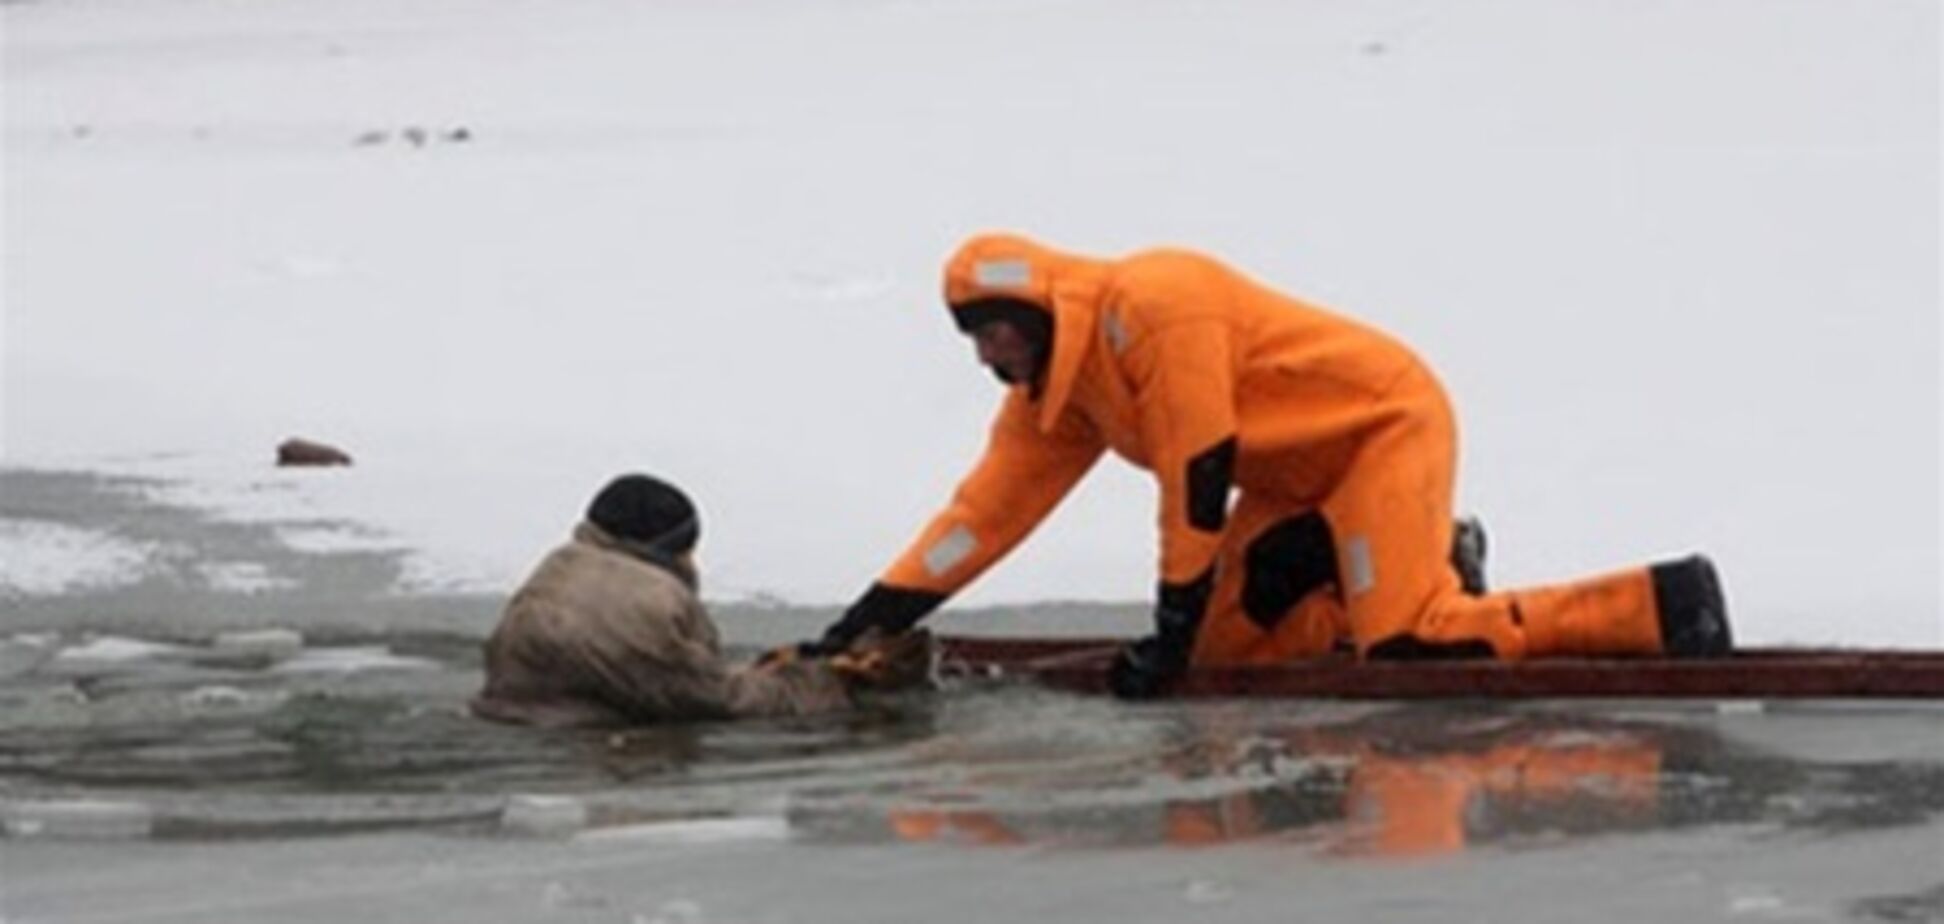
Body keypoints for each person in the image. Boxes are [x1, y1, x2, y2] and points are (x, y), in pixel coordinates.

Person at [803, 233, 1731, 698]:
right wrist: (861, 623)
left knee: (1410, 647)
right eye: (974, 339)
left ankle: (1664, 602)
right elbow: (983, 516)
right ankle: (1380, 566)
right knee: (1219, 658)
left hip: (1379, 434)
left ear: (1040, 312)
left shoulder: (1157, 305)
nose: (987, 358)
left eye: (995, 333)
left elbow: (1196, 474)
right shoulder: (1061, 393)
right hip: (1294, 487)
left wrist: (1166, 627)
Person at [472, 473, 928, 727]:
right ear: (673, 548)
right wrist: (832, 682)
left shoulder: (557, 568)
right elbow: (715, 702)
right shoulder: (653, 599)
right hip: (582, 753)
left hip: (503, 718)